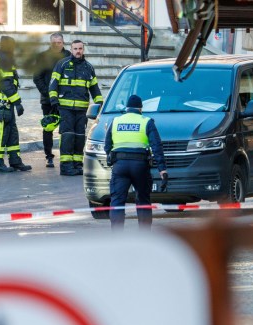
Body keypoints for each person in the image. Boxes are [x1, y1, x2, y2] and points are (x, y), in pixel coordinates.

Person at [104, 94, 168, 230]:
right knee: (143, 200)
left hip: (120, 166)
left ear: (127, 108)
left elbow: (107, 145)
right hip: (140, 166)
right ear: (140, 109)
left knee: (117, 201)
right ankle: (144, 235)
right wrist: (162, 170)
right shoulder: (147, 121)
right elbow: (156, 146)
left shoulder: (115, 121)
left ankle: (116, 235)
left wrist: (111, 158)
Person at [48, 39, 103, 176]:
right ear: (71, 50)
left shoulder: (89, 68)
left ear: (83, 50)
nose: (78, 51)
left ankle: (77, 165)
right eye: (75, 49)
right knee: (67, 136)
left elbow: (95, 89)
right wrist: (54, 101)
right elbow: (53, 84)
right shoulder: (62, 64)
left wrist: (100, 105)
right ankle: (66, 166)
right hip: (65, 109)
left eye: (80, 49)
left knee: (79, 137)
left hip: (82, 110)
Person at [0, 35, 31, 173]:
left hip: (6, 102)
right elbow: (6, 84)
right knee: (1, 132)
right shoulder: (4, 60)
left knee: (12, 131)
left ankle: (15, 161)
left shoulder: (3, 58)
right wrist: (17, 102)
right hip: (3, 102)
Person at [32, 32, 70, 169]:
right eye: (54, 43)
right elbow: (37, 77)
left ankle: (66, 156)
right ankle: (49, 156)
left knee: (66, 129)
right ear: (50, 43)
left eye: (59, 42)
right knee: (48, 128)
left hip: (65, 100)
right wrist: (49, 95)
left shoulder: (69, 56)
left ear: (63, 42)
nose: (56, 45)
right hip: (47, 100)